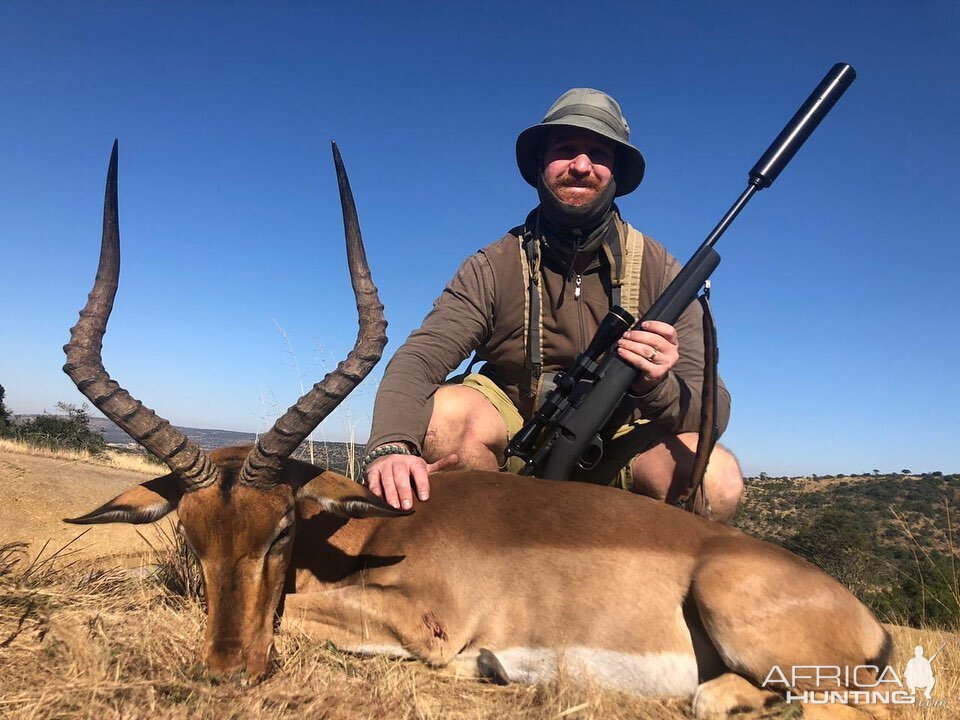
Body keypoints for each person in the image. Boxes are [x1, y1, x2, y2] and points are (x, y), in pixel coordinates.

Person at [363, 88, 743, 521]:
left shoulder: (662, 271)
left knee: (715, 479)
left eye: (598, 153)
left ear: (615, 172)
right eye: (565, 150)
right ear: (540, 165)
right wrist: (392, 446)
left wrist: (655, 385)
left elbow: (714, 410)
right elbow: (419, 359)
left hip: (620, 442)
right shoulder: (493, 265)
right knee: (446, 420)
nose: (581, 166)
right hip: (517, 436)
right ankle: (479, 558)